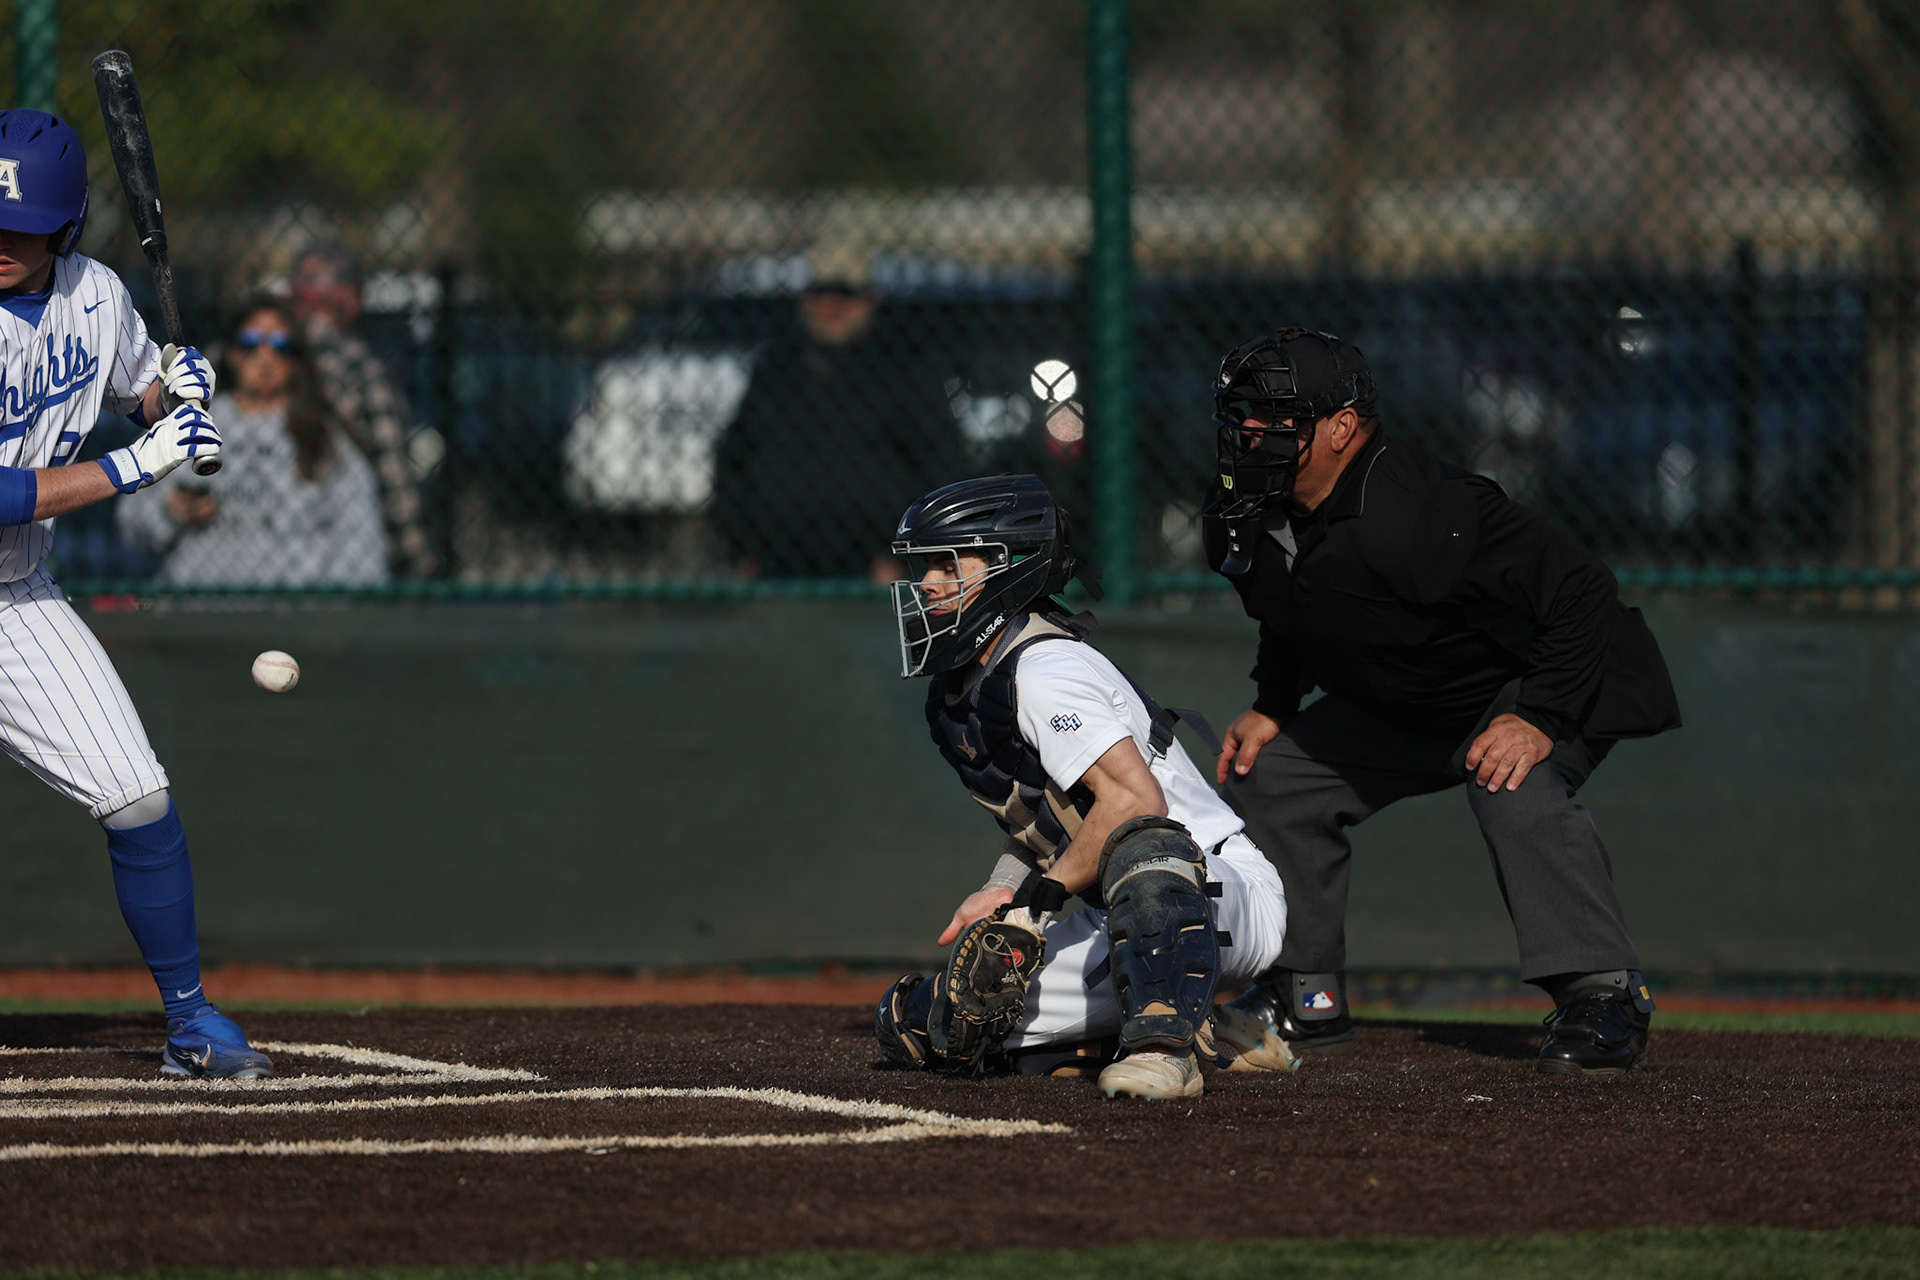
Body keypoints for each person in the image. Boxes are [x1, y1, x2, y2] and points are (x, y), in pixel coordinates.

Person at [1200, 327, 1682, 1075]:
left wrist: (1539, 716)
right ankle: (1305, 999)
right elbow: (1293, 611)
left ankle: (1603, 996)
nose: (1252, 432)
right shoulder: (1246, 509)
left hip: (1534, 679)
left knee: (1510, 782)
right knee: (1275, 774)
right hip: (1417, 694)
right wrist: (1275, 702)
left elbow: (1579, 589)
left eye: (1277, 417)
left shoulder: (1418, 509)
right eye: (1243, 414)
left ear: (1341, 429)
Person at [873, 474, 1296, 1099]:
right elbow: (1053, 820)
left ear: (1004, 567)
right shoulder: (973, 687)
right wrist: (1002, 892)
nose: (928, 582)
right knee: (933, 1022)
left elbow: (1135, 804)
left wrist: (1036, 906)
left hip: (1212, 891)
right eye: (925, 565)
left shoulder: (1045, 668)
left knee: (1146, 846)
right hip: (1126, 915)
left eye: (946, 563)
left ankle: (1162, 1051)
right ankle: (1202, 1029)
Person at [0, 108, 271, 1077]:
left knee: (138, 797)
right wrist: (134, 465)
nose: (1, 246)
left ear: (66, 229)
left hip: (16, 600)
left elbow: (136, 387)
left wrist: (172, 388)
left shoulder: (96, 296)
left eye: (21, 230)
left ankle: (192, 1022)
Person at [710, 245, 963, 580]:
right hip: (777, 565)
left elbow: (941, 468)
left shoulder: (902, 369)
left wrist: (906, 558)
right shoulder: (777, 368)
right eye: (820, 294)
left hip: (871, 571)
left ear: (868, 300)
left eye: (845, 295)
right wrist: (744, 549)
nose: (831, 307)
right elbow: (734, 458)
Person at [116, 300, 388, 585]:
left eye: (281, 345)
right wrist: (169, 513)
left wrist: (330, 615)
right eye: (250, 343)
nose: (265, 357)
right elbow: (131, 520)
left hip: (293, 614)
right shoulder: (189, 422)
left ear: (296, 358)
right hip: (199, 608)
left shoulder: (321, 435)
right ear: (232, 353)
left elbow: (361, 541)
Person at [287, 241, 437, 578]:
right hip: (340, 550)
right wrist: (417, 559)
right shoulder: (361, 370)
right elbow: (392, 471)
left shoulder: (239, 356)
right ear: (351, 300)